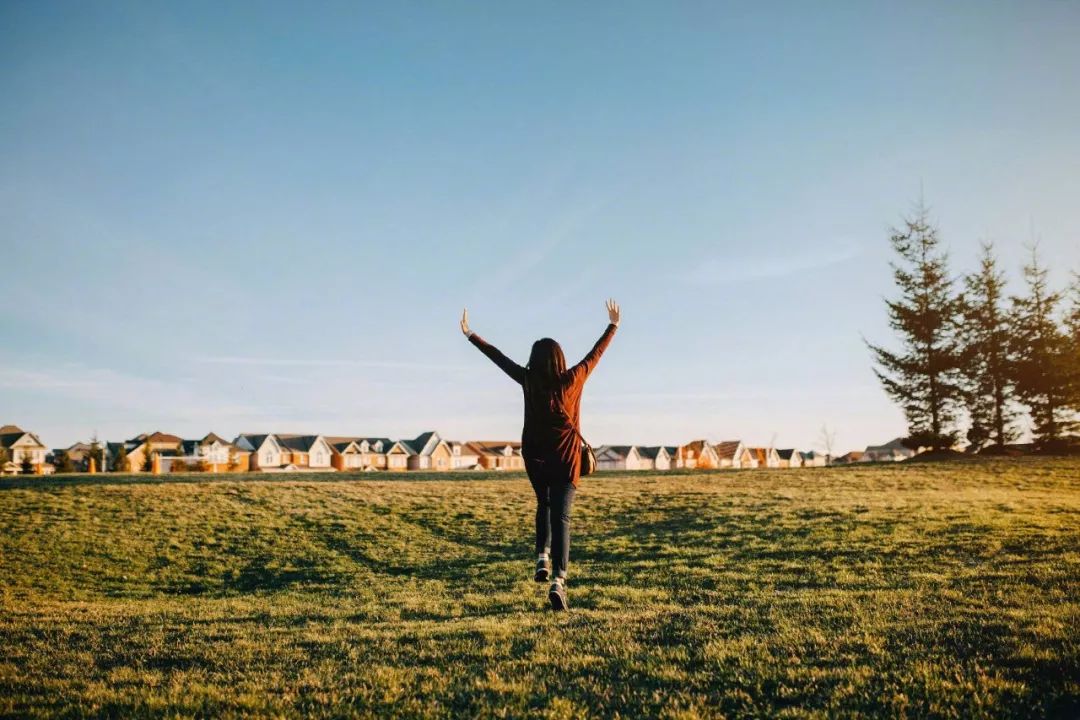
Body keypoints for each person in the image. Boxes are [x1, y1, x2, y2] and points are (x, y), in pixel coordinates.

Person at [461, 299, 619, 610]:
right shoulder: (572, 379)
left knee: (543, 503)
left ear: (534, 359)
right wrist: (613, 325)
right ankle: (558, 580)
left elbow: (499, 358)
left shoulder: (529, 380)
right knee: (562, 516)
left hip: (535, 457)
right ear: (560, 359)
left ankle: (541, 557)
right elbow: (595, 355)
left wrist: (470, 335)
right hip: (566, 459)